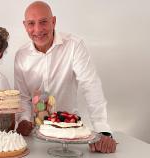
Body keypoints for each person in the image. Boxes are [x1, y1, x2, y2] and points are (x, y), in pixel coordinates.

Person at [14, 1, 117, 153]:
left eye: (43, 22)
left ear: (53, 21)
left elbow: (91, 86)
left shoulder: (74, 45)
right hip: (35, 136)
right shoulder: (21, 55)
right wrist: (23, 120)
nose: (37, 29)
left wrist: (102, 130)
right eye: (31, 23)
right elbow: (22, 97)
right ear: (25, 25)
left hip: (70, 134)